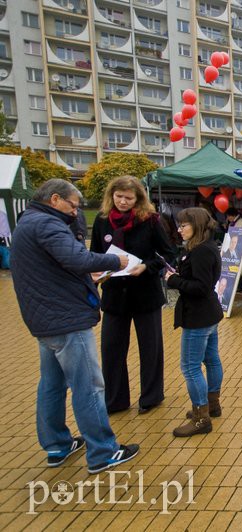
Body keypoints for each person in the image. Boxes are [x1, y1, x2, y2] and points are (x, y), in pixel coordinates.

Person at [10, 179, 140, 474]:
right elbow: (76, 257)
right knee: (89, 386)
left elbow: (62, 263)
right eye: (73, 206)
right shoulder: (46, 225)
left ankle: (56, 444)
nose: (75, 211)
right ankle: (103, 452)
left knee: (52, 384)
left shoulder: (28, 223)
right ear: (55, 199)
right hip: (66, 319)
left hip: (44, 319)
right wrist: (116, 261)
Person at [91, 176, 176, 415]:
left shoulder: (149, 221)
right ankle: (116, 400)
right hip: (114, 295)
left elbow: (168, 254)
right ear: (111, 196)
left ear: (139, 199)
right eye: (119, 197)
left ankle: (151, 396)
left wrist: (147, 267)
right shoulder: (101, 221)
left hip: (145, 294)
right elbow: (94, 254)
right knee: (111, 349)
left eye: (129, 198)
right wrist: (95, 272)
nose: (123, 202)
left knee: (150, 348)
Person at [165, 207, 225, 437]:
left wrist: (174, 280)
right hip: (208, 313)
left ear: (197, 225)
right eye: (179, 225)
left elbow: (200, 286)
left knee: (190, 367)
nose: (179, 230)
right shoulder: (206, 247)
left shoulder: (201, 251)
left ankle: (201, 417)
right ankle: (211, 405)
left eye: (184, 225)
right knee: (211, 359)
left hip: (199, 315)